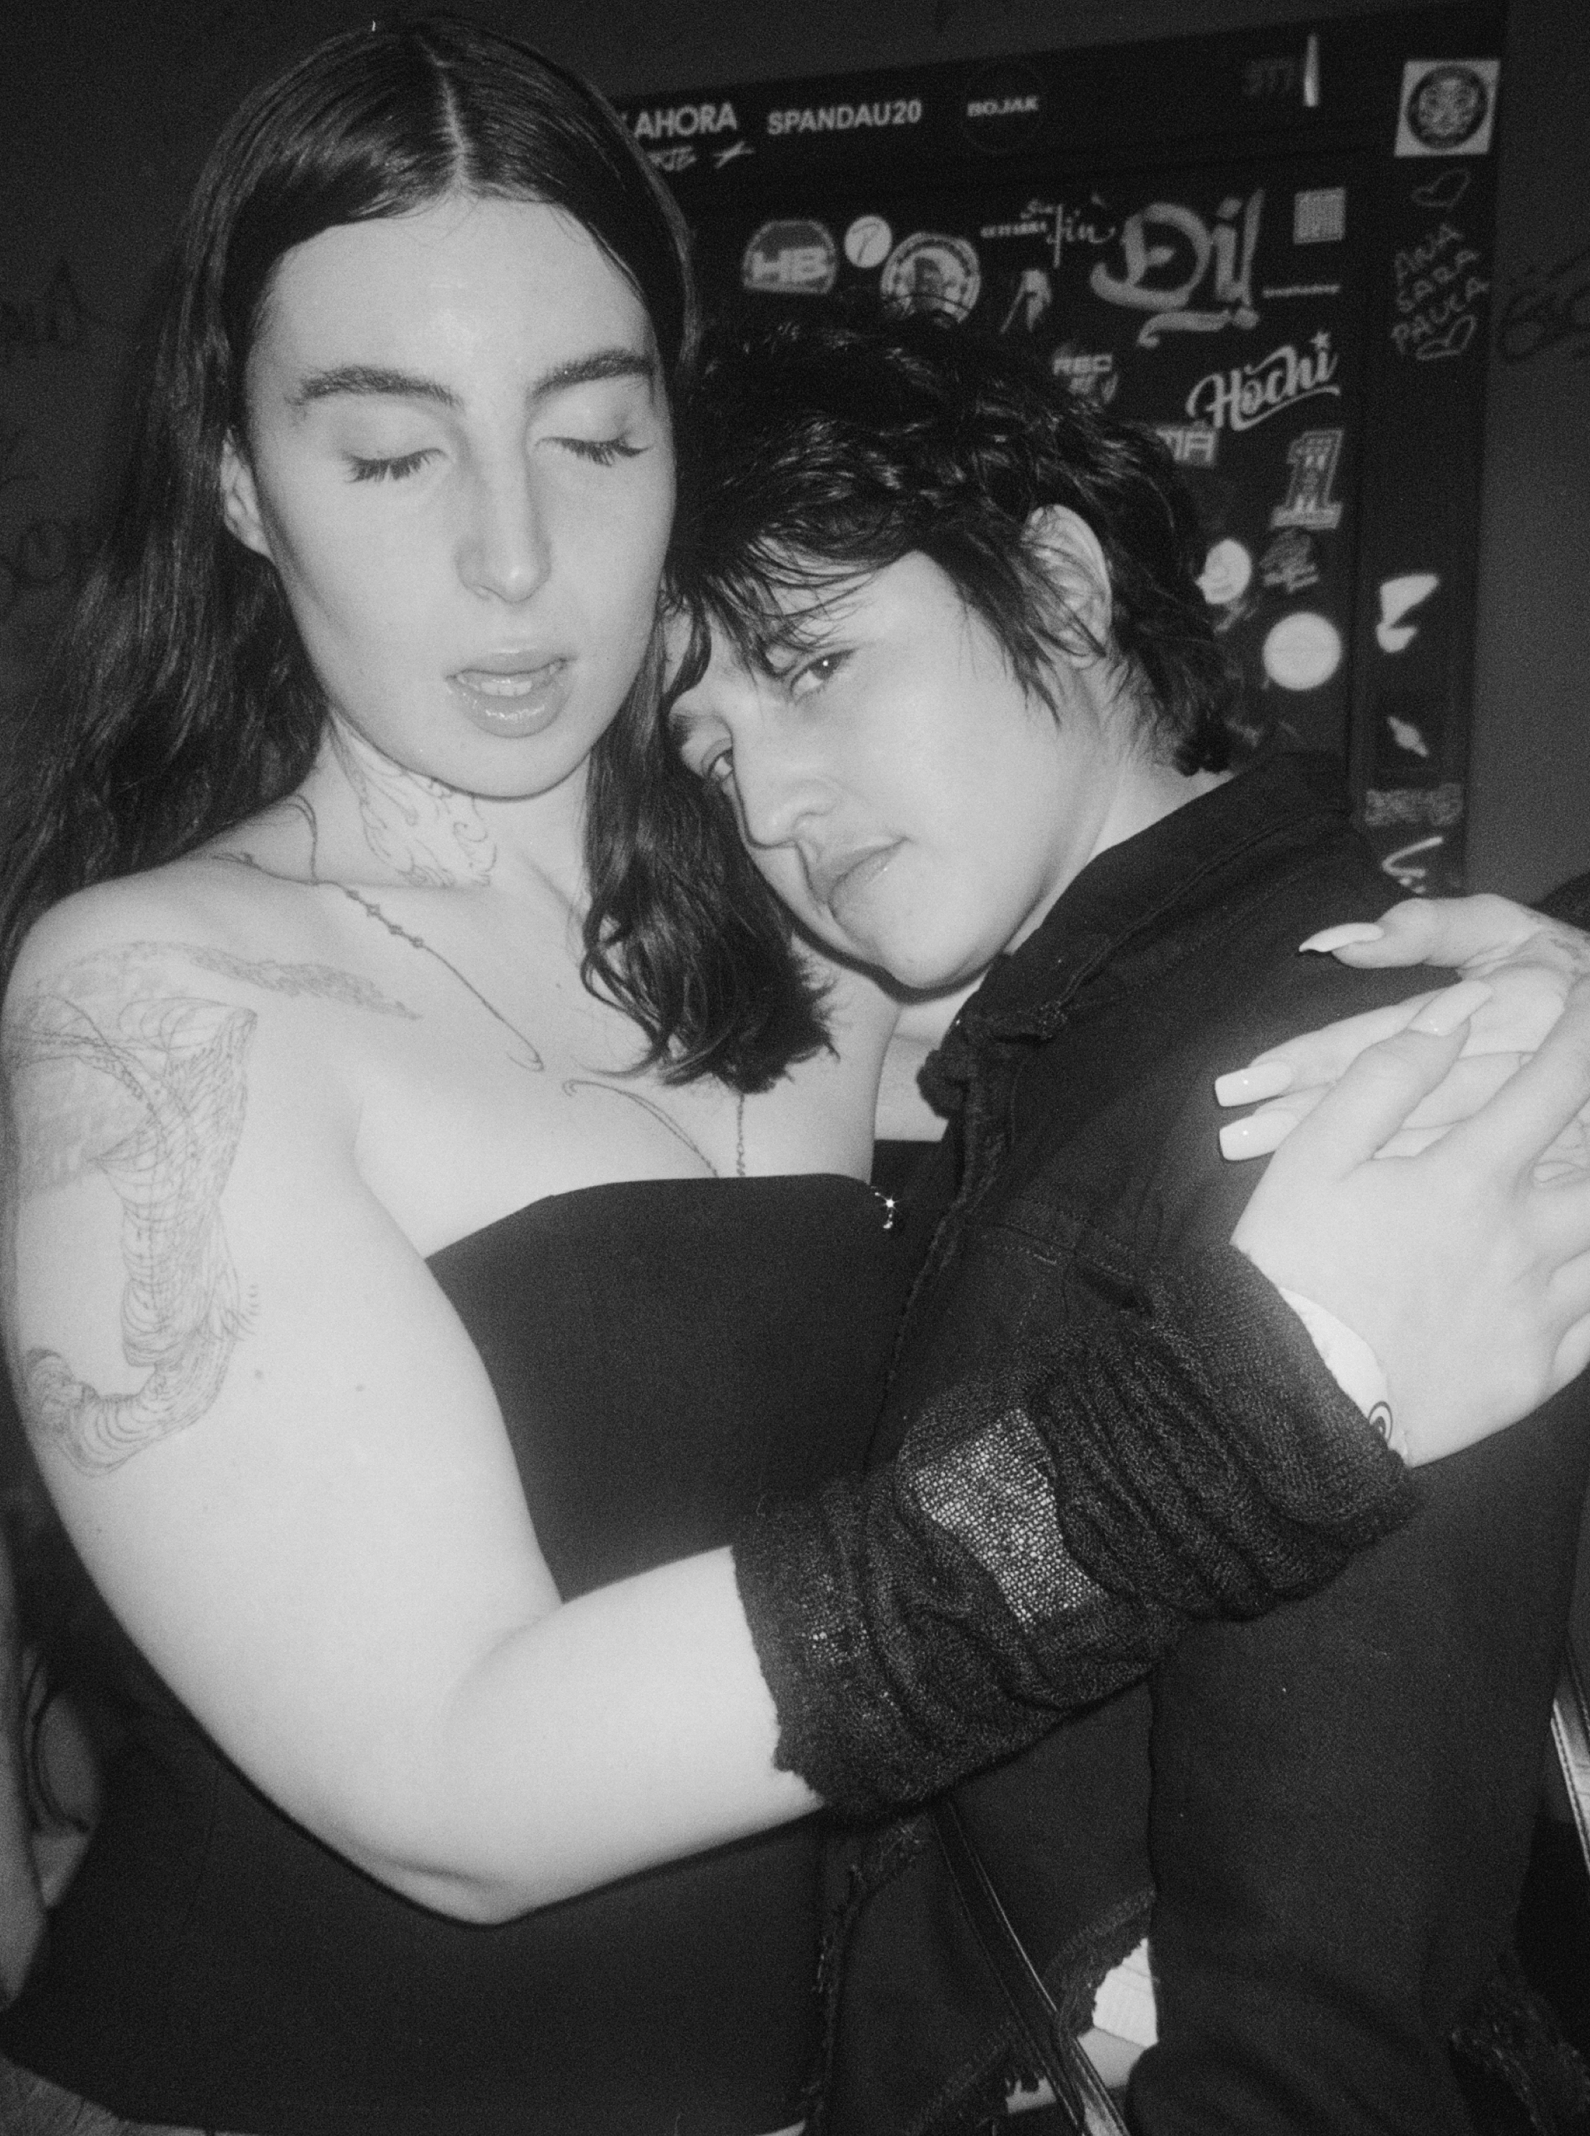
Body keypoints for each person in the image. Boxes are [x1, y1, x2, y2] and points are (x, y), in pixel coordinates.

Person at [1, 20, 1587, 2136]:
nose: (511, 556)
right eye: (388, 455)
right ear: (236, 480)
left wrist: (1551, 998)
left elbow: (1188, 1006)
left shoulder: (823, 935)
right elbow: (454, 1782)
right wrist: (1261, 1413)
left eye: (592, 436)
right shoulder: (152, 997)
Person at [653, 304, 1590, 2134]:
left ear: (1060, 588)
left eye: (812, 662)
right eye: (709, 754)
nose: (768, 803)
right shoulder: (1065, 1058)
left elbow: (1317, 2034)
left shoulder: (1324, 1071)